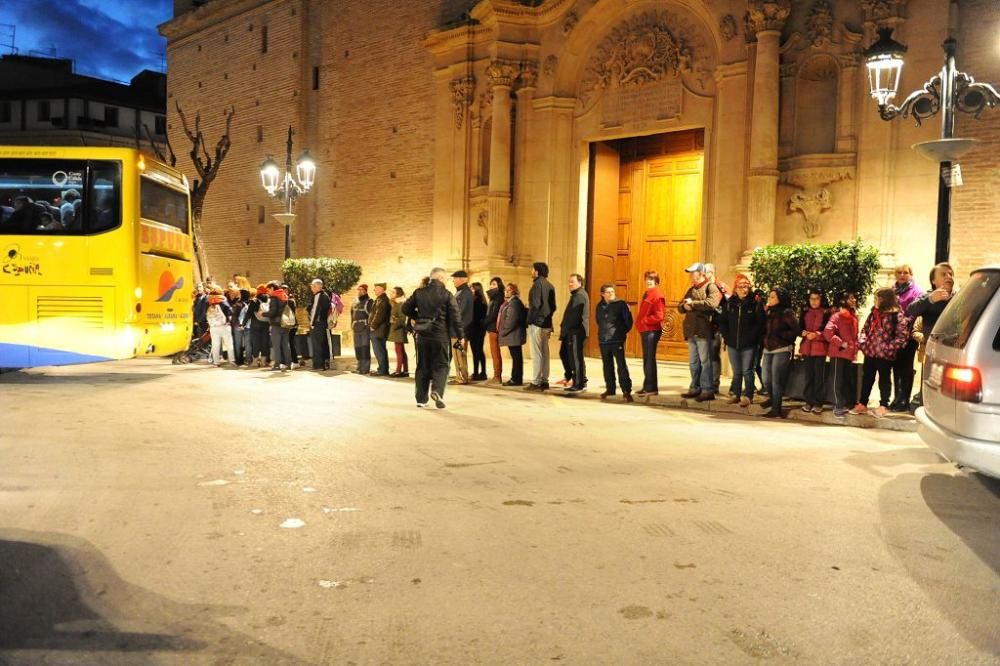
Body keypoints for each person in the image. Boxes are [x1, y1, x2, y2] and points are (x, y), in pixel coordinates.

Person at [402, 268, 463, 409]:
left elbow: (405, 308)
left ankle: (420, 399)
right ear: (441, 278)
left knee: (422, 366)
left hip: (423, 335)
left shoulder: (419, 293)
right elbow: (456, 317)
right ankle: (436, 391)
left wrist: (418, 318)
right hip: (440, 334)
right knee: (441, 365)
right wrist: (460, 335)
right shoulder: (447, 295)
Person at [851, 287, 910, 418]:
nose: (875, 300)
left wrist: (888, 348)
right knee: (867, 379)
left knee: (884, 380)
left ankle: (883, 405)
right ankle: (862, 404)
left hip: (885, 356)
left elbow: (902, 336)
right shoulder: (873, 314)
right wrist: (863, 344)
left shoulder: (896, 315)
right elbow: (864, 330)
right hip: (870, 353)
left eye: (877, 298)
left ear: (885, 300)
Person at [906, 262, 956, 410]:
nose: (948, 276)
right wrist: (930, 299)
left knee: (949, 391)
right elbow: (911, 309)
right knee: (929, 388)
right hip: (932, 352)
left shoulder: (958, 298)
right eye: (943, 274)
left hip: (954, 352)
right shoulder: (928, 296)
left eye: (950, 274)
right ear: (934, 281)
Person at [718, 274, 764, 407]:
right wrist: (727, 337)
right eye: (741, 286)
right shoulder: (730, 304)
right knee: (736, 371)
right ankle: (736, 394)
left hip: (749, 344)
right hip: (733, 343)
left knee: (747, 371)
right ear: (735, 288)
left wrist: (753, 338)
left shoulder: (755, 304)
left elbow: (760, 324)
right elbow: (723, 322)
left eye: (746, 286)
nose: (744, 289)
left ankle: (748, 395)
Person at [679, 262, 722, 402]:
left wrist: (693, 304)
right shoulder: (691, 289)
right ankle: (695, 388)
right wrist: (685, 306)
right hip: (691, 331)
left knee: (705, 362)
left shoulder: (711, 287)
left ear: (701, 273)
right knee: (693, 362)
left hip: (704, 331)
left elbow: (712, 304)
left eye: (693, 272)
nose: (691, 275)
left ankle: (707, 390)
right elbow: (680, 307)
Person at [760, 288, 800, 418]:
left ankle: (776, 409)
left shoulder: (787, 312)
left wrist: (780, 335)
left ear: (779, 299)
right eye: (769, 297)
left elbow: (795, 330)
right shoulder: (769, 312)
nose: (769, 299)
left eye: (772, 297)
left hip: (782, 348)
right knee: (766, 379)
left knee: (776, 379)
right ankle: (773, 400)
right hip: (768, 348)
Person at [889, 264, 924, 412]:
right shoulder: (892, 290)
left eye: (905, 272)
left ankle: (904, 399)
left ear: (910, 274)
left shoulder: (916, 291)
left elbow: (915, 312)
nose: (902, 275)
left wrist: (903, 321)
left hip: (908, 336)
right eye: (899, 272)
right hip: (893, 335)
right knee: (896, 367)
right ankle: (897, 398)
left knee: (906, 367)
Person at [824, 292, 860, 419]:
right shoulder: (837, 316)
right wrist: (841, 343)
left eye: (854, 298)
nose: (854, 300)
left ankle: (845, 403)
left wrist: (855, 348)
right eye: (851, 298)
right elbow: (827, 332)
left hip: (849, 354)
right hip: (838, 352)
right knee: (836, 380)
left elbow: (855, 336)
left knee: (846, 380)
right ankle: (837, 405)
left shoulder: (854, 317)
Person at [595, 283, 633, 402]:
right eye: (608, 292)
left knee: (621, 365)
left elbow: (628, 321)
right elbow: (598, 321)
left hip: (617, 339)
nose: (611, 294)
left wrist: (621, 333)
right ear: (602, 294)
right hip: (603, 340)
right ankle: (610, 388)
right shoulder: (599, 306)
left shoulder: (620, 304)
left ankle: (626, 391)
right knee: (607, 365)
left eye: (612, 291)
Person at [526, 262, 557, 392]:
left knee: (536, 353)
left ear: (537, 271)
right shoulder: (550, 285)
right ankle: (545, 380)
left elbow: (536, 304)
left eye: (532, 269)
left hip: (537, 324)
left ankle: (536, 381)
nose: (531, 272)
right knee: (545, 353)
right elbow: (553, 306)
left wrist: (530, 317)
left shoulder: (537, 284)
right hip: (547, 323)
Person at [556, 273, 590, 392]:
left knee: (575, 357)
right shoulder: (576, 295)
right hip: (571, 331)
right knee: (564, 354)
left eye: (572, 282)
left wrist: (566, 329)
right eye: (569, 282)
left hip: (575, 332)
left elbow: (574, 317)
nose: (570, 284)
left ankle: (579, 383)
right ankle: (572, 377)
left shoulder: (580, 295)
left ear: (580, 283)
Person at [798, 288, 830, 414]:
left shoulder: (826, 313)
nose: (814, 301)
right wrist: (803, 333)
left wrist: (817, 335)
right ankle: (808, 401)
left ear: (821, 300)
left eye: (817, 299)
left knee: (818, 377)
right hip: (807, 347)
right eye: (812, 298)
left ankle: (818, 403)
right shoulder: (805, 311)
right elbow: (799, 328)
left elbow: (828, 330)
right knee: (808, 376)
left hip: (820, 349)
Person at [635, 270, 666, 397]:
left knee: (649, 360)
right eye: (647, 279)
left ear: (656, 282)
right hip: (646, 330)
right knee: (647, 359)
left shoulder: (657, 295)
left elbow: (660, 315)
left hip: (652, 330)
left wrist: (644, 321)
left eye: (651, 279)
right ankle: (647, 386)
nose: (648, 281)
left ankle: (651, 388)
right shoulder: (648, 293)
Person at [703, 263, 727, 394]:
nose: (704, 275)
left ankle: (714, 384)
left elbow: (725, 305)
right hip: (703, 327)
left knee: (713, 356)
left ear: (712, 273)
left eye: (706, 272)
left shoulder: (720, 286)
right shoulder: (701, 287)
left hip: (715, 327)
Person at [497, 282, 527, 386]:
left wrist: (503, 331)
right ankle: (516, 378)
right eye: (505, 290)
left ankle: (516, 379)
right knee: (516, 357)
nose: (506, 292)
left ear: (514, 291)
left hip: (514, 334)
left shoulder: (514, 303)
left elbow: (511, 320)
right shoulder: (510, 302)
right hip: (513, 334)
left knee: (516, 358)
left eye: (509, 290)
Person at [451, 270, 473, 384]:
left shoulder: (465, 293)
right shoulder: (460, 292)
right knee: (456, 354)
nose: (453, 280)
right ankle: (458, 376)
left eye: (455, 278)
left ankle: (463, 377)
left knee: (460, 354)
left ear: (462, 279)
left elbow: (461, 311)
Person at [266, 281, 293, 371]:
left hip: (276, 325)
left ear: (272, 288)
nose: (267, 292)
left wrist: (264, 314)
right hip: (285, 324)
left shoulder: (274, 297)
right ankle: (288, 364)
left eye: (268, 289)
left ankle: (277, 364)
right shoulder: (284, 296)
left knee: (276, 345)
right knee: (286, 344)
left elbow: (273, 312)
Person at [483, 277, 506, 385]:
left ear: (499, 285)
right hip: (491, 327)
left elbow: (493, 314)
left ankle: (497, 376)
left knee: (495, 352)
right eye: (491, 284)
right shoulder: (494, 296)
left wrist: (483, 322)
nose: (492, 286)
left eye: (494, 284)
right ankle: (496, 375)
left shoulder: (497, 297)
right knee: (494, 352)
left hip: (494, 328)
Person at [206, 287, 234, 366]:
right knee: (229, 344)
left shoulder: (209, 301)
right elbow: (230, 312)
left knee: (215, 345)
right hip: (224, 326)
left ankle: (216, 362)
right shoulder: (224, 301)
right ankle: (231, 360)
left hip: (213, 327)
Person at [307, 278, 332, 371]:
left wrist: (313, 323)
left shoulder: (321, 296)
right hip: (317, 323)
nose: (311, 287)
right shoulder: (317, 296)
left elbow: (317, 312)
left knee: (318, 344)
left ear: (318, 286)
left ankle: (319, 365)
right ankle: (319, 364)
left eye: (313, 286)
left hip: (318, 324)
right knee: (317, 344)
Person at [368, 283, 391, 376]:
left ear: (382, 289)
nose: (374, 290)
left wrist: (372, 326)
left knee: (379, 350)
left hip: (378, 330)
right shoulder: (380, 299)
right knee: (380, 350)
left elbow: (379, 315)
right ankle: (382, 369)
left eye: (376, 288)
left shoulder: (383, 300)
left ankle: (382, 370)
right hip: (379, 329)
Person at [351, 284, 373, 374]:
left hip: (364, 328)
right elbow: (352, 314)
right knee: (358, 348)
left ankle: (365, 368)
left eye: (362, 290)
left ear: (366, 291)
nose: (360, 291)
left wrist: (368, 327)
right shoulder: (356, 301)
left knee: (365, 348)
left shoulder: (369, 301)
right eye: (358, 289)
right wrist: (351, 325)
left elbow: (371, 316)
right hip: (356, 327)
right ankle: (359, 367)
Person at [469, 282, 489, 381]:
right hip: (478, 329)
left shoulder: (477, 301)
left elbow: (475, 317)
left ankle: (481, 372)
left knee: (478, 351)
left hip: (477, 329)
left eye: (472, 288)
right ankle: (478, 372)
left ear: (476, 290)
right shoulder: (481, 301)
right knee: (477, 351)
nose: (470, 290)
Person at [248, 284, 271, 367]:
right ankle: (263, 362)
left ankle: (255, 362)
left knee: (255, 343)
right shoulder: (268, 300)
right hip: (266, 324)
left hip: (255, 325)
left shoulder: (254, 301)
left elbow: (248, 314)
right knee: (265, 343)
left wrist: (243, 324)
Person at [388, 287, 410, 377]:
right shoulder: (396, 303)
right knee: (401, 350)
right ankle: (405, 370)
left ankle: (398, 371)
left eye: (393, 292)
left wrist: (393, 325)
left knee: (398, 350)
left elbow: (402, 318)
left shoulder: (400, 304)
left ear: (398, 294)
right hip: (398, 329)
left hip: (398, 330)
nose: (391, 293)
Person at [229, 288, 250, 366]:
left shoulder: (237, 304)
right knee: (248, 344)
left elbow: (234, 317)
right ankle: (248, 359)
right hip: (248, 326)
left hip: (238, 326)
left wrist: (236, 324)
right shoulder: (250, 303)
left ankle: (239, 360)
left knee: (238, 344)